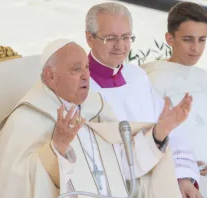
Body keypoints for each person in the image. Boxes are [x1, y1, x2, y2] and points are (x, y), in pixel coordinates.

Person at [0, 39, 192, 198]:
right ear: (50, 76)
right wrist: (57, 148)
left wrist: (160, 131)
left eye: (87, 68)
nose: (86, 76)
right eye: (75, 69)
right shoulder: (27, 118)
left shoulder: (95, 108)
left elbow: (125, 165)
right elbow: (15, 183)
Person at [85, 2, 200, 198]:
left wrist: (183, 178)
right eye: (111, 38)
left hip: (164, 177)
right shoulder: (82, 89)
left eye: (126, 37)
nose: (120, 46)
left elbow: (172, 131)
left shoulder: (136, 76)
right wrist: (160, 132)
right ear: (90, 38)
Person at [141, 2, 207, 198]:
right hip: (178, 171)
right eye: (187, 40)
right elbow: (150, 138)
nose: (196, 48)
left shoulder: (205, 78)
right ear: (170, 39)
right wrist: (185, 169)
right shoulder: (154, 78)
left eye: (202, 40)